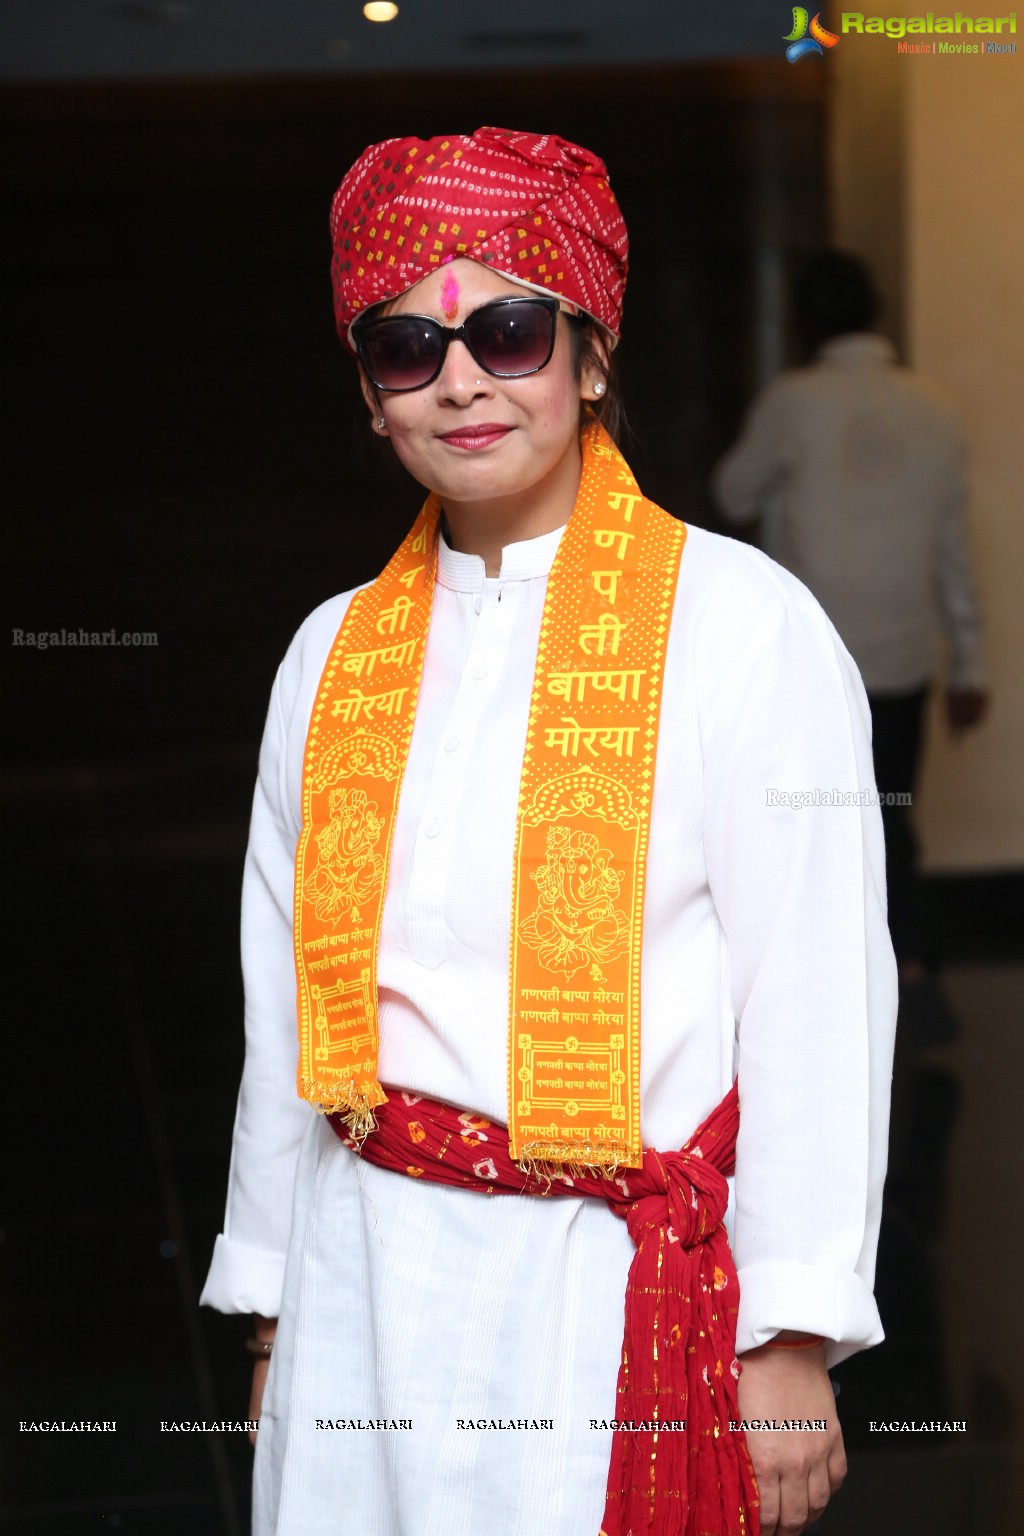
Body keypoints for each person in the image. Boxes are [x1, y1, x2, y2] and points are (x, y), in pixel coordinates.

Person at [201, 132, 897, 1536]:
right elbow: (284, 1021)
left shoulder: (741, 624)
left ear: (587, 357)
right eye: (408, 348)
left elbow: (817, 994)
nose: (460, 379)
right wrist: (274, 1310)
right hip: (362, 1278)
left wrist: (792, 1333)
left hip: (592, 1293)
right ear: (374, 393)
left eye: (507, 330)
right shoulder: (328, 655)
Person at [712, 252, 988, 1025]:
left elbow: (732, 488)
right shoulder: (936, 407)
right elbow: (953, 551)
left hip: (814, 654)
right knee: (892, 809)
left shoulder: (793, 401)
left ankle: (814, 987)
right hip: (903, 649)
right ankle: (915, 965)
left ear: (806, 321)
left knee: (809, 812)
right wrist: (969, 661)